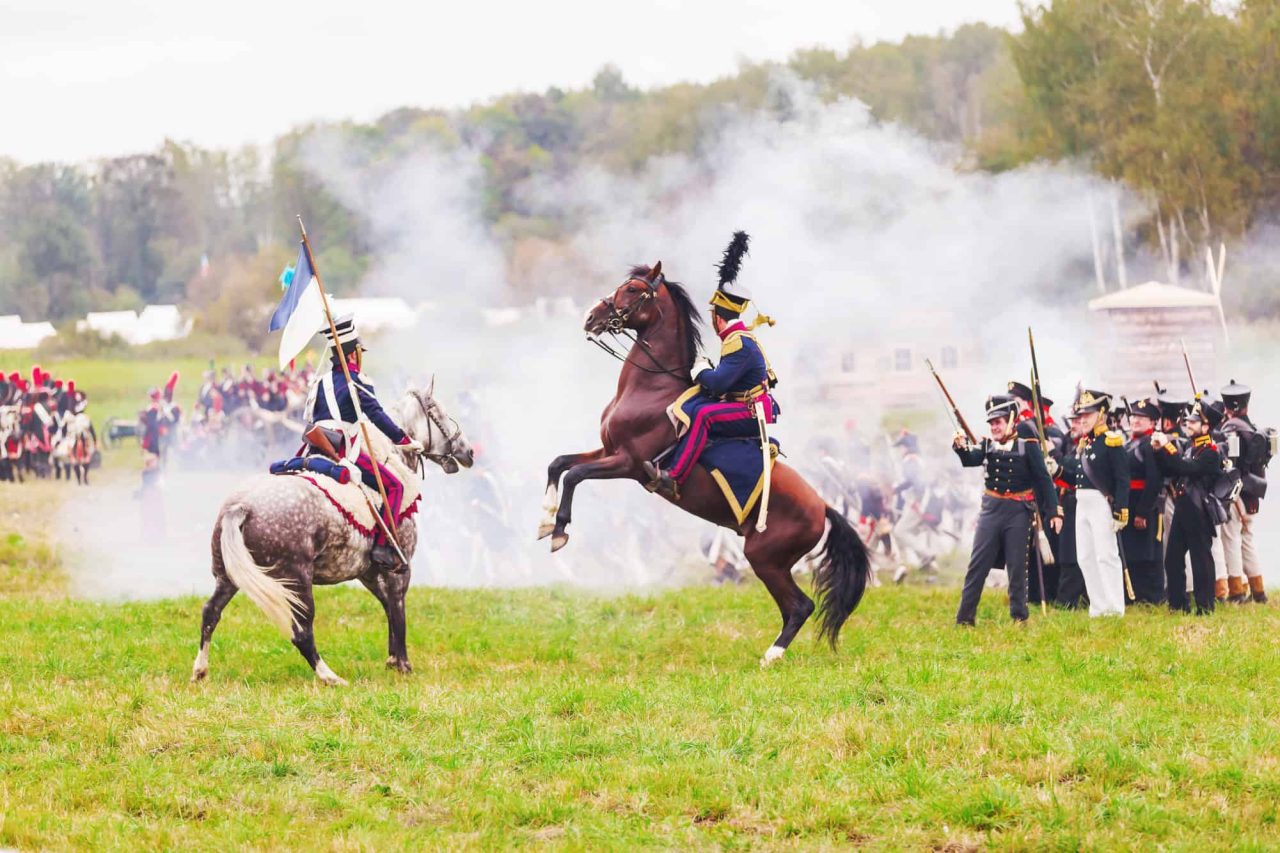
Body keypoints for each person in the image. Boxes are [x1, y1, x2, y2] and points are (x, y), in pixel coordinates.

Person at [644, 232, 778, 500]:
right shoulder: (737, 339)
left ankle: (675, 477)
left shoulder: (738, 342)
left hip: (751, 413)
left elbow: (717, 383)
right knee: (696, 405)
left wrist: (701, 369)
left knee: (705, 415)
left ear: (718, 318)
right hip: (745, 405)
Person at [300, 314, 423, 570]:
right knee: (395, 487)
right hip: (344, 449)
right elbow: (377, 415)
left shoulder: (318, 384)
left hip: (315, 446)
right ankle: (381, 547)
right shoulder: (359, 381)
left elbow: (311, 418)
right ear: (354, 354)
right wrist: (402, 439)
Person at [952, 394, 1061, 625]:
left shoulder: (1028, 445)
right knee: (977, 566)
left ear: (1011, 420)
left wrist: (1054, 511)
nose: (994, 427)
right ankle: (964, 619)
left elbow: (1043, 479)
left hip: (1018, 512)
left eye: (998, 422)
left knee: (1017, 567)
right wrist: (960, 448)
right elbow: (971, 459)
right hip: (991, 510)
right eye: (991, 423)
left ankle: (1019, 617)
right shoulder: (987, 444)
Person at [1154, 400, 1225, 614]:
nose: (1188, 424)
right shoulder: (1191, 448)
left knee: (1200, 560)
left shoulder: (1211, 452)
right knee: (1173, 558)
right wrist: (1159, 451)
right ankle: (1177, 604)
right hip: (1184, 507)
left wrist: (1168, 446)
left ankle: (1205, 607)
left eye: (1194, 422)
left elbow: (1189, 468)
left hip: (1199, 510)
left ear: (1206, 427)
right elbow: (1173, 468)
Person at [1066, 389, 1130, 617]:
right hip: (1082, 503)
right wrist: (1057, 471)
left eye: (1087, 415)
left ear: (1101, 414)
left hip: (1101, 503)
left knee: (1106, 556)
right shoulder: (1085, 444)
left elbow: (1123, 478)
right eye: (1080, 416)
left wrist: (1121, 509)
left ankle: (1114, 608)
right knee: (1085, 557)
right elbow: (1076, 476)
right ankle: (1098, 607)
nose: (1082, 420)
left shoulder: (1110, 442)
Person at [1218, 380, 1269, 603]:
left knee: (1231, 540)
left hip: (1236, 491)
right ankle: (1258, 591)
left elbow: (1229, 461)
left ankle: (1236, 592)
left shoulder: (1232, 428)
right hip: (1252, 493)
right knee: (1247, 539)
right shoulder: (1253, 427)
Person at [1121, 398, 1165, 604]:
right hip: (1127, 502)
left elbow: (1154, 481)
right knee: (1131, 550)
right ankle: (1133, 594)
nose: (1135, 420)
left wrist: (1142, 511)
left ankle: (1150, 596)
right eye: (1133, 416)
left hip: (1142, 503)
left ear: (1153, 422)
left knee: (1146, 553)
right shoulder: (1129, 442)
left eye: (1141, 417)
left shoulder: (1151, 445)